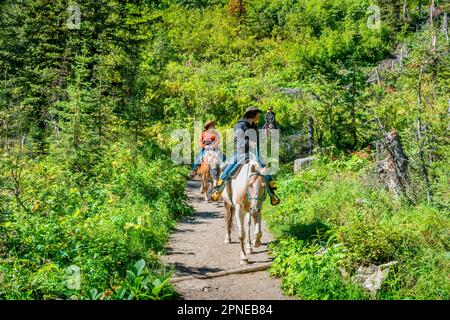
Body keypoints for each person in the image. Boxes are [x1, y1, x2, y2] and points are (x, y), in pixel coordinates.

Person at [209, 107, 280, 206]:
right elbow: (238, 140)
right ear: (252, 115)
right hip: (241, 152)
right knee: (228, 169)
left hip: (254, 152)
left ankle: (272, 195)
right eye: (257, 115)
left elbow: (259, 139)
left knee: (265, 170)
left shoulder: (254, 125)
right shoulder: (240, 125)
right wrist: (249, 143)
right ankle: (218, 191)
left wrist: (265, 134)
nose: (258, 116)